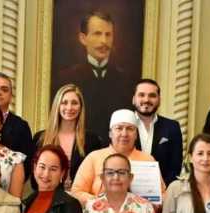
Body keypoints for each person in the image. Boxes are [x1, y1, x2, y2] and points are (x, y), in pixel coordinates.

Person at [55, 11, 133, 143]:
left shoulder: (126, 81)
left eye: (108, 35)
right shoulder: (65, 78)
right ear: (83, 38)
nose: (104, 41)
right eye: (97, 34)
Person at [32, 84, 103, 191]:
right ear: (57, 106)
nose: (69, 108)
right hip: (48, 199)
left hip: (81, 201)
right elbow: (34, 179)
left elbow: (96, 177)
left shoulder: (92, 140)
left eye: (74, 103)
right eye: (64, 103)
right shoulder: (40, 138)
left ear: (81, 107)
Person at [133, 78, 183, 185]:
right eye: (141, 95)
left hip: (162, 194)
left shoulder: (172, 127)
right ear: (133, 99)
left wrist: (162, 190)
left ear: (159, 100)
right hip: (127, 193)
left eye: (152, 95)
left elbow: (175, 167)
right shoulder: (123, 126)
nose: (146, 99)